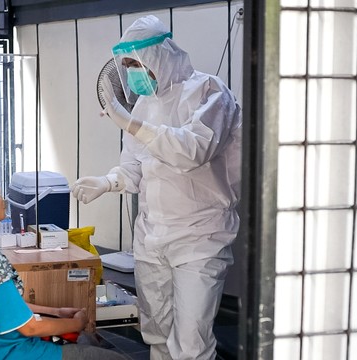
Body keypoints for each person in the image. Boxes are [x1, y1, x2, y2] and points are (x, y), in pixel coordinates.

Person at [72, 15, 242, 360]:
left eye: (139, 64)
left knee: (191, 341)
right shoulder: (146, 103)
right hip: (151, 237)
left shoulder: (209, 93)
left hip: (199, 237)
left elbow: (193, 150)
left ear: (161, 57)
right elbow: (137, 164)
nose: (134, 73)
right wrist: (108, 181)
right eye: (128, 65)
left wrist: (130, 121)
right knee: (156, 332)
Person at [0, 167, 128, 360]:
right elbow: (30, 328)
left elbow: (2, 306)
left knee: (87, 344)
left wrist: (56, 312)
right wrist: (76, 324)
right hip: (13, 353)